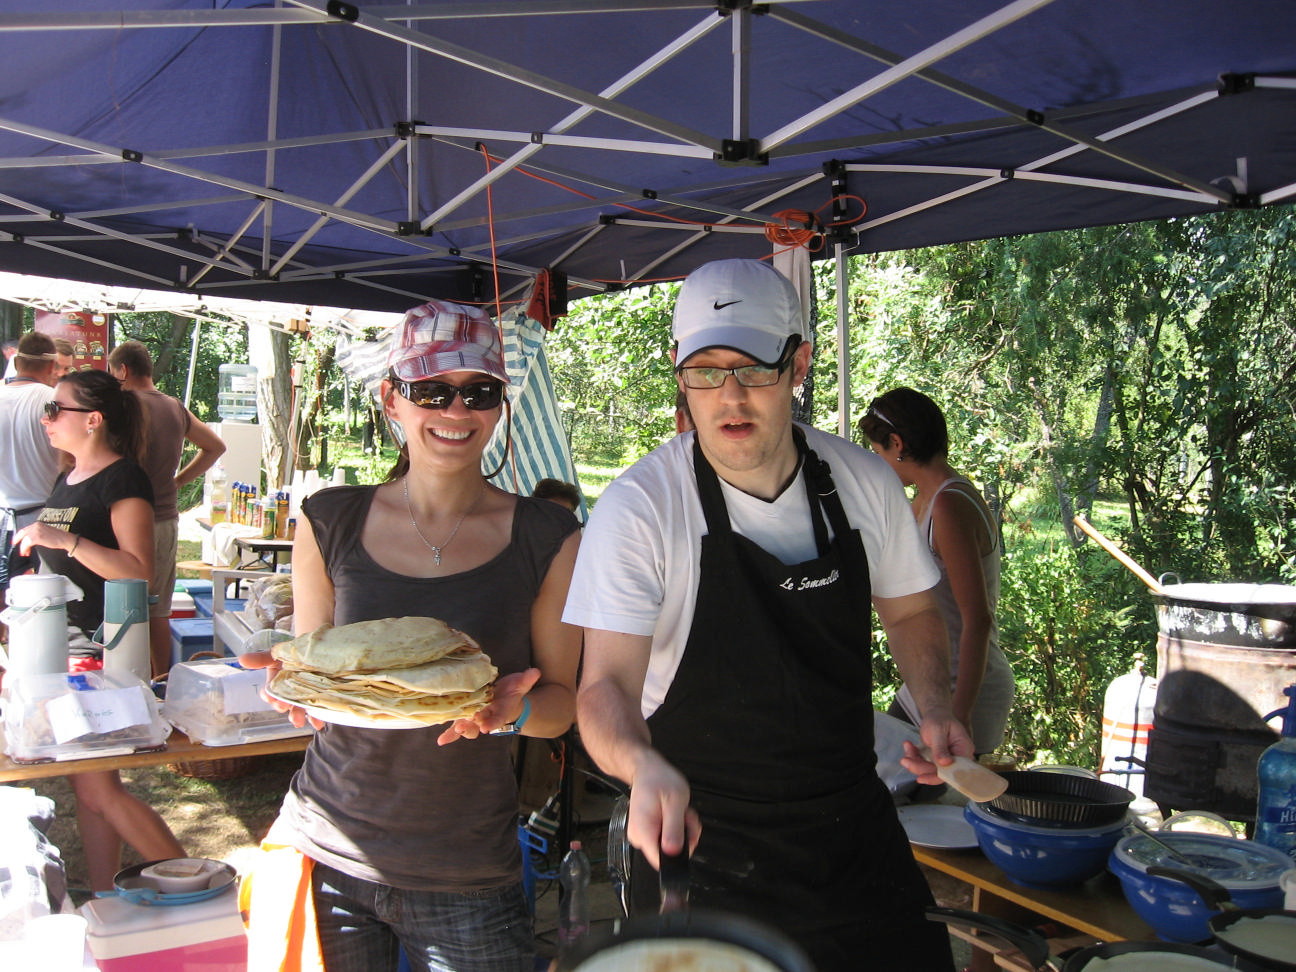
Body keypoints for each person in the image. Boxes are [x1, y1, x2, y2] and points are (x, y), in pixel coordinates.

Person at [565, 258, 971, 972]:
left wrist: (935, 705)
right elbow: (603, 689)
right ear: (678, 371)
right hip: (702, 846)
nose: (731, 396)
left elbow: (910, 610)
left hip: (853, 837)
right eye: (705, 370)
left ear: (800, 364)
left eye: (754, 369)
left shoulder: (862, 481)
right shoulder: (641, 510)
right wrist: (640, 766)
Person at [242, 299, 582, 972]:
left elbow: (564, 705)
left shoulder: (548, 536)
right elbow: (320, 676)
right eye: (432, 391)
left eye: (479, 392)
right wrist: (294, 690)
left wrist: (507, 710)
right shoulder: (327, 520)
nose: (457, 413)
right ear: (392, 400)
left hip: (467, 868)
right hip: (326, 846)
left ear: (499, 405)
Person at [13, 369, 186, 891]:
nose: (46, 419)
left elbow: (137, 569)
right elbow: (62, 568)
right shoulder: (66, 477)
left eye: (55, 409)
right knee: (89, 788)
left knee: (101, 789)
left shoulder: (122, 477)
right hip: (58, 648)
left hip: (97, 650)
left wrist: (63, 542)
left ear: (92, 420)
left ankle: (204, 885)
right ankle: (105, 895)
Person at [859, 387, 1015, 757]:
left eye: (877, 451)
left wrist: (958, 712)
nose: (877, 461)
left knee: (940, 801)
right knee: (887, 770)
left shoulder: (948, 504)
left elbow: (977, 618)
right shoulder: (923, 500)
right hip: (931, 683)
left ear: (897, 444)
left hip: (967, 686)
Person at [108, 340, 226, 676]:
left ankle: (121, 679)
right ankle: (163, 679)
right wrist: (177, 481)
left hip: (120, 519)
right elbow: (215, 446)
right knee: (157, 607)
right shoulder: (174, 406)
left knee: (118, 604)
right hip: (163, 516)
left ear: (123, 370)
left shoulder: (121, 405)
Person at [1, 333, 64, 637]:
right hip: (45, 518)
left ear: (17, 359)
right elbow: (70, 460)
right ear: (52, 364)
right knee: (43, 606)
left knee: (7, 602)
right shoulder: (51, 400)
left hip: (4, 516)